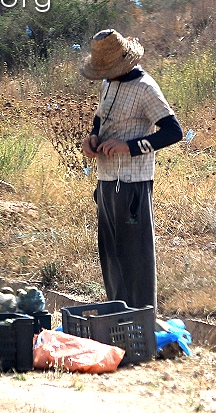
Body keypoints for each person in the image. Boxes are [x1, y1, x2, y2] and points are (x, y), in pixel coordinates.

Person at [79, 29, 182, 315]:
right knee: (111, 256)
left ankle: (142, 320)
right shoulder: (108, 84)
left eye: (108, 70)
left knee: (136, 258)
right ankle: (117, 317)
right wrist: (93, 138)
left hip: (133, 183)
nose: (105, 74)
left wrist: (129, 147)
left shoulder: (145, 88)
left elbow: (173, 132)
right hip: (106, 180)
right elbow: (100, 120)